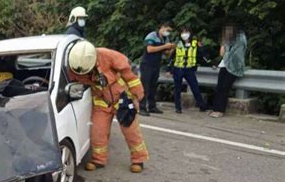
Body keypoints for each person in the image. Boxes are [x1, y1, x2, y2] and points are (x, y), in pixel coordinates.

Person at [67, 41, 148, 173]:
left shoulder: (107, 55)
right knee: (98, 132)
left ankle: (138, 159)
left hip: (122, 98)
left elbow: (130, 74)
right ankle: (98, 160)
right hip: (101, 101)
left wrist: (137, 96)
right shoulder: (76, 66)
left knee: (131, 130)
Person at [210, 24, 248, 118]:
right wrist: (223, 45)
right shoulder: (227, 41)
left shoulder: (240, 39)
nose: (228, 32)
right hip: (224, 65)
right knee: (219, 87)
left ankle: (220, 110)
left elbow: (238, 55)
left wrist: (228, 55)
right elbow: (222, 53)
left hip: (234, 67)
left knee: (225, 88)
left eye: (229, 30)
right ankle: (215, 109)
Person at [168, 27, 208, 113]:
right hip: (178, 69)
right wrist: (169, 69)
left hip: (189, 69)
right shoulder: (178, 44)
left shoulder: (195, 43)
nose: (184, 34)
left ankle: (202, 105)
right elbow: (172, 57)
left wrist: (210, 62)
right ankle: (178, 108)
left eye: (186, 32)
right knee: (177, 89)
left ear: (190, 33)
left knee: (195, 87)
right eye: (182, 32)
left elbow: (203, 55)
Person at [139, 23, 176, 116]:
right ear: (162, 27)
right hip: (147, 64)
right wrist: (165, 46)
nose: (168, 32)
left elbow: (166, 54)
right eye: (167, 30)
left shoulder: (165, 39)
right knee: (145, 86)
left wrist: (171, 49)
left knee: (153, 86)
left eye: (170, 31)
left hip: (156, 64)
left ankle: (152, 106)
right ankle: (142, 107)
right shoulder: (152, 35)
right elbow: (150, 49)